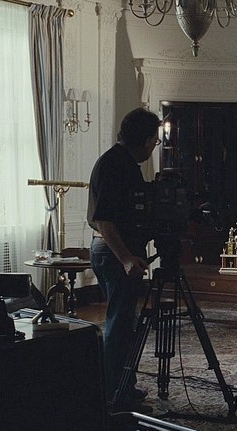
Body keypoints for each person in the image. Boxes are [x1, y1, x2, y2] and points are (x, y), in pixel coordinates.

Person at [87, 107, 160, 412]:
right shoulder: (115, 164)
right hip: (114, 253)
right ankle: (111, 395)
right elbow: (104, 220)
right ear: (144, 140)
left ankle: (123, 385)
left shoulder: (122, 162)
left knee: (126, 322)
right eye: (154, 141)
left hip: (117, 253)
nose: (154, 147)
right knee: (118, 325)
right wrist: (126, 258)